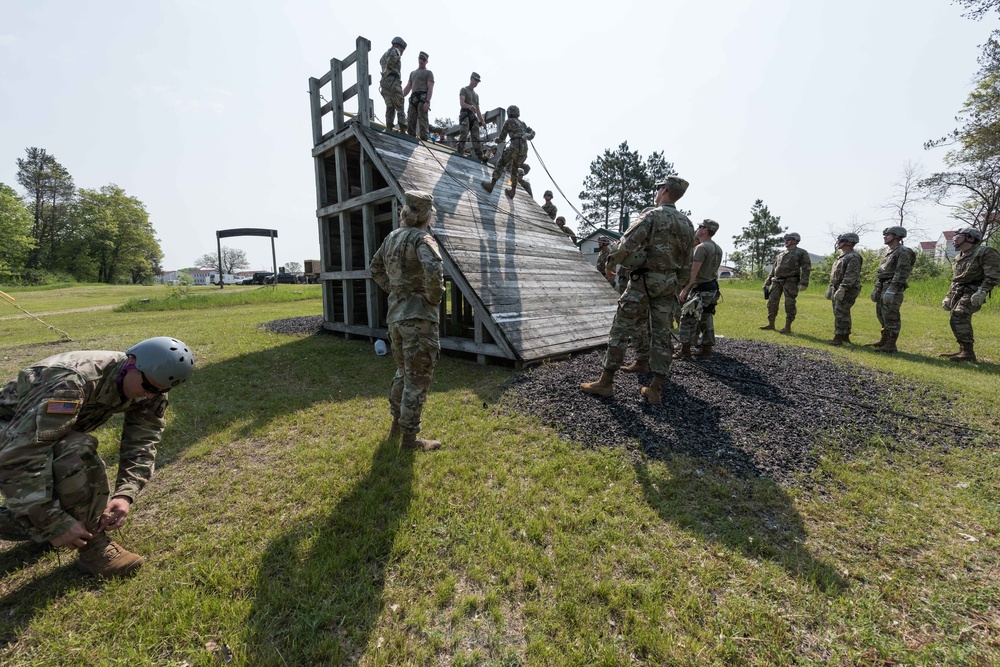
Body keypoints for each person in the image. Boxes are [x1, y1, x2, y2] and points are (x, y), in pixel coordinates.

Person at [0, 337, 195, 578]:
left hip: (26, 440)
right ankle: (94, 549)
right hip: (13, 439)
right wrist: (55, 524)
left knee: (51, 506)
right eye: (147, 387)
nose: (148, 395)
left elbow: (142, 442)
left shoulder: (150, 386)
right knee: (75, 449)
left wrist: (126, 494)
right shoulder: (71, 383)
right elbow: (21, 455)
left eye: (159, 391)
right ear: (131, 363)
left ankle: (52, 526)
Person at [581, 176, 694, 404]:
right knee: (662, 335)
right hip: (668, 284)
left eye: (658, 188)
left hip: (642, 283)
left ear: (664, 190)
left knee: (621, 328)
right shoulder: (687, 224)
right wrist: (677, 285)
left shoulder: (652, 215)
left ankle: (606, 382)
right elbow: (687, 262)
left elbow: (626, 244)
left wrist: (611, 263)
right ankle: (655, 388)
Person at [369, 190, 444, 451]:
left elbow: (374, 268)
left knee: (403, 372)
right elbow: (434, 270)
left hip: (396, 318)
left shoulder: (392, 237)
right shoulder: (423, 238)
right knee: (417, 380)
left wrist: (395, 290)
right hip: (419, 320)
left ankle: (396, 425)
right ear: (427, 215)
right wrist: (433, 297)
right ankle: (410, 441)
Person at [939, 226, 1000, 362]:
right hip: (959, 291)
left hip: (974, 291)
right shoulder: (959, 256)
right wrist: (948, 296)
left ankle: (967, 353)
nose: (954, 240)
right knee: (955, 317)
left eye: (958, 237)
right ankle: (963, 350)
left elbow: (994, 274)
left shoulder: (984, 252)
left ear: (970, 238)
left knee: (959, 314)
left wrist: (982, 291)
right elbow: (956, 279)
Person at [676, 219, 724, 359]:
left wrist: (685, 289)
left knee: (687, 318)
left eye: (700, 227)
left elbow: (693, 272)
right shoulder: (718, 248)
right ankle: (706, 349)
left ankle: (684, 351)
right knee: (706, 318)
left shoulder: (701, 248)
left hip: (700, 290)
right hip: (712, 288)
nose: (697, 229)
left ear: (705, 230)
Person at [869, 226, 916, 353]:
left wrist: (892, 289)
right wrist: (877, 287)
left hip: (892, 287)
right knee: (881, 314)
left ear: (897, 236)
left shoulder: (903, 251)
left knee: (891, 316)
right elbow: (882, 272)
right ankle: (884, 340)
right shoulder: (889, 252)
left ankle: (891, 344)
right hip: (883, 286)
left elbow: (901, 272)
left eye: (888, 234)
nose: (885, 237)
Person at [760, 232, 812, 334]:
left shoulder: (801, 253)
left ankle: (787, 327)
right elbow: (774, 269)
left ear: (795, 241)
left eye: (788, 239)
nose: (786, 241)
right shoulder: (781, 254)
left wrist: (804, 282)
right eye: (786, 239)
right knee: (771, 302)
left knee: (789, 303)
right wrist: (767, 282)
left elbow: (806, 268)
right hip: (777, 281)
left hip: (791, 281)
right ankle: (771, 324)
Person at [481, 105, 534, 198]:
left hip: (514, 146)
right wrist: (528, 136)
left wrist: (495, 140)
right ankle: (512, 191)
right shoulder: (523, 124)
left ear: (509, 113)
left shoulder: (508, 122)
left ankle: (491, 185)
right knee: (515, 169)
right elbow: (533, 132)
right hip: (524, 149)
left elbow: (502, 138)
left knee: (501, 163)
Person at [825, 232, 863, 346]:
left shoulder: (853, 257)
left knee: (841, 312)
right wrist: (831, 287)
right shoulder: (842, 257)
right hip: (837, 287)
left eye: (842, 241)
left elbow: (850, 275)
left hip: (847, 288)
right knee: (839, 312)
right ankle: (844, 336)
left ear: (850, 242)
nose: (839, 243)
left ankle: (839, 337)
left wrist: (842, 288)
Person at [378, 36, 408, 133]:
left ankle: (389, 127)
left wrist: (385, 73)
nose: (402, 52)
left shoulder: (385, 54)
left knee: (390, 105)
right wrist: (388, 71)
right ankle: (403, 128)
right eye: (402, 49)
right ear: (398, 46)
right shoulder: (395, 51)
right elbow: (391, 61)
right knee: (400, 103)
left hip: (384, 82)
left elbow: (381, 61)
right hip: (393, 80)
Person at [402, 51, 434, 140]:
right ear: (418, 58)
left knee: (423, 121)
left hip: (422, 98)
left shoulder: (428, 73)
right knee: (411, 120)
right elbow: (408, 87)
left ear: (426, 62)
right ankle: (410, 138)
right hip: (413, 98)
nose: (422, 60)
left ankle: (424, 139)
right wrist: (400, 96)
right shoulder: (413, 73)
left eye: (424, 59)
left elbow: (430, 88)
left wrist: (427, 101)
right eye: (420, 58)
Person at [456, 72, 487, 161]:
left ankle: (480, 155)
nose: (476, 83)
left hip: (473, 116)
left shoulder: (476, 95)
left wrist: (483, 121)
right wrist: (469, 106)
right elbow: (462, 103)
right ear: (471, 78)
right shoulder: (464, 89)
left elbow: (478, 110)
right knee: (464, 133)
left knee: (476, 136)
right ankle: (460, 151)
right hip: (465, 113)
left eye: (478, 81)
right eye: (475, 80)